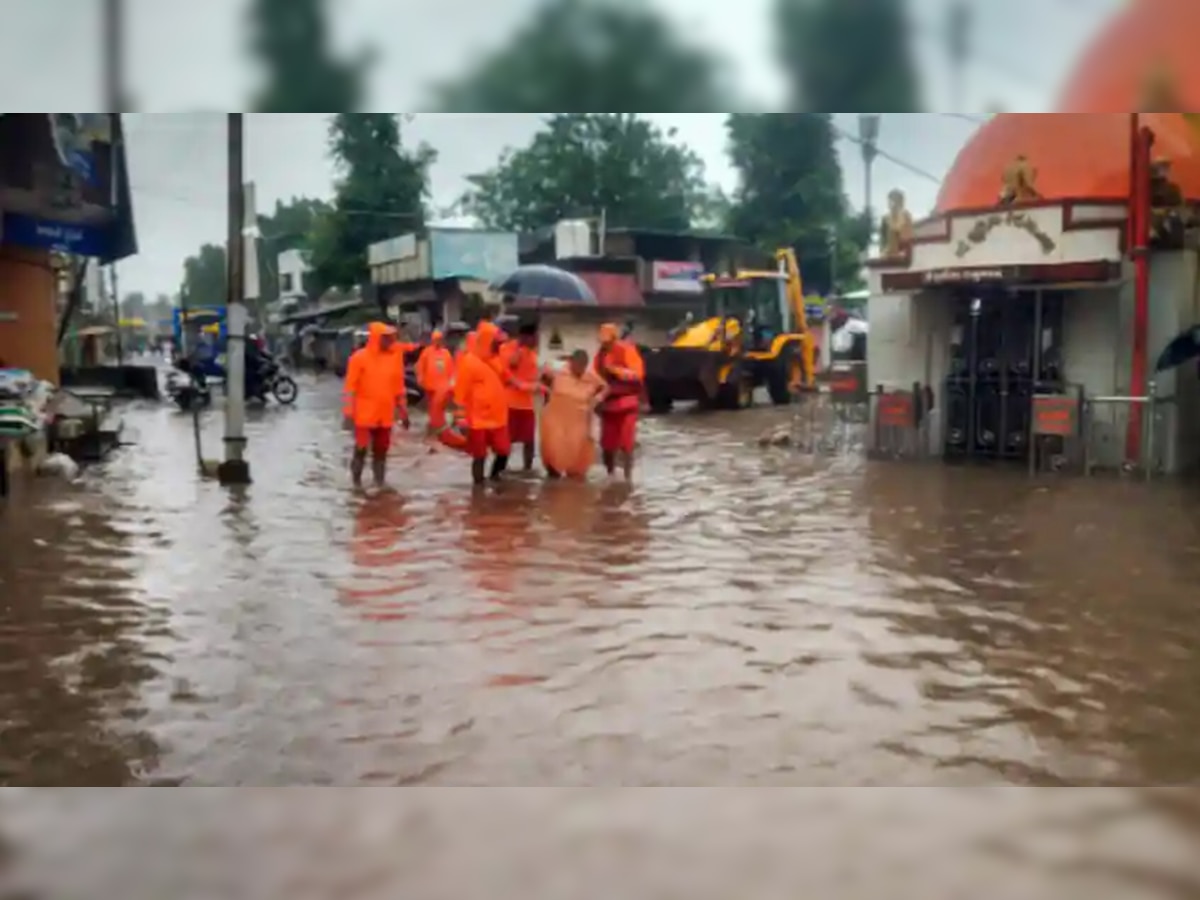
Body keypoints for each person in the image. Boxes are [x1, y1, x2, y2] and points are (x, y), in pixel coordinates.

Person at [343, 321, 410, 489]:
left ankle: (379, 482)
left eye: (391, 338)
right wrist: (349, 413)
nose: (389, 341)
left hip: (385, 415)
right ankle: (356, 484)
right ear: (376, 338)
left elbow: (398, 388)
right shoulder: (359, 358)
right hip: (363, 415)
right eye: (385, 338)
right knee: (361, 449)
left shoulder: (394, 359)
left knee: (381, 451)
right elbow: (350, 388)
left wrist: (403, 411)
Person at [453, 320, 511, 485]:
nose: (499, 346)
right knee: (479, 456)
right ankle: (478, 487)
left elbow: (506, 379)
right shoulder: (469, 362)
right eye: (496, 343)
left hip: (499, 417)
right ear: (487, 341)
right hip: (478, 419)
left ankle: (495, 477)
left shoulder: (497, 360)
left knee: (504, 450)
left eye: (500, 343)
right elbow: (460, 393)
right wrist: (461, 418)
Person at [540, 349, 606, 479]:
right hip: (555, 419)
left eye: (583, 366)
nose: (580, 369)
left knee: (577, 460)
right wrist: (547, 393)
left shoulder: (590, 376)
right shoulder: (557, 371)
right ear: (571, 363)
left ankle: (573, 487)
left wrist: (598, 399)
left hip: (578, 421)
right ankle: (552, 485)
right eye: (578, 365)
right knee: (553, 452)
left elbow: (605, 387)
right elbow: (542, 375)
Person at [593, 322, 645, 480]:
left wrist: (616, 371)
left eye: (607, 341)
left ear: (614, 339)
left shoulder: (627, 350)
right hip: (608, 406)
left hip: (626, 403)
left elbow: (638, 375)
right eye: (603, 342)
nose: (605, 344)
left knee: (626, 444)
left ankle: (628, 479)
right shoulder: (600, 356)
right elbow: (595, 377)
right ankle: (610, 476)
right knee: (607, 446)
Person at [497, 323, 541, 471]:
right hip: (510, 403)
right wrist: (520, 348)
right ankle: (501, 469)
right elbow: (511, 365)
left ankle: (527, 469)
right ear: (525, 337)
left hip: (527, 404)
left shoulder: (533, 353)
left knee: (529, 440)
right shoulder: (508, 348)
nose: (537, 339)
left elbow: (534, 376)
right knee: (507, 439)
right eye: (534, 337)